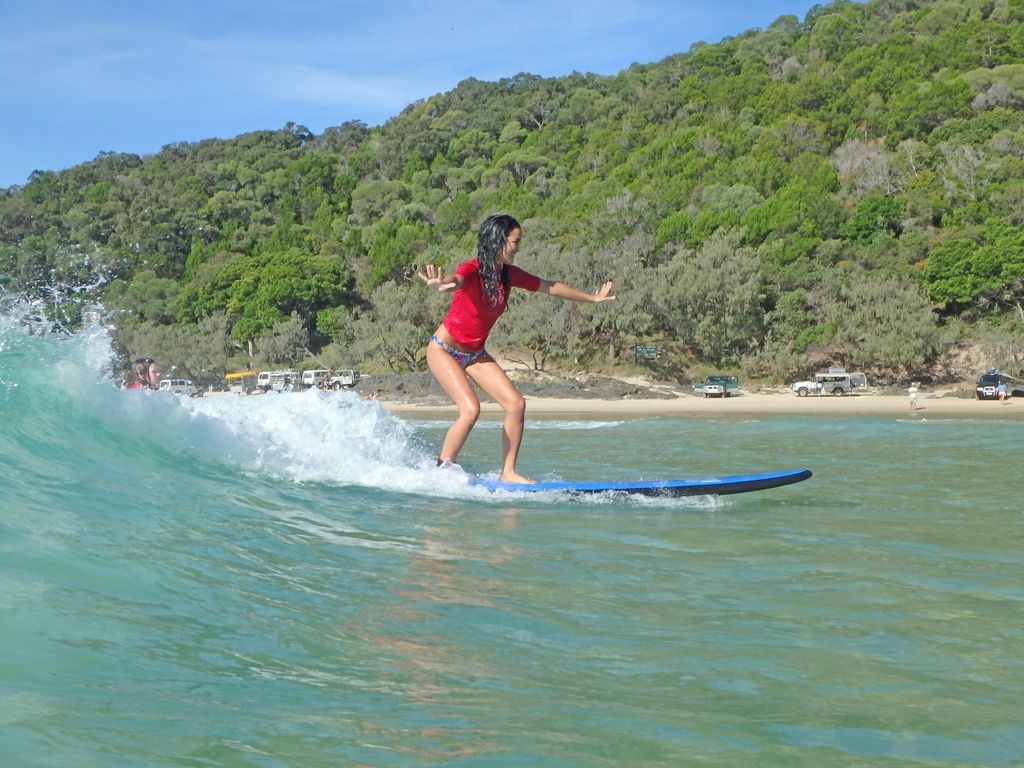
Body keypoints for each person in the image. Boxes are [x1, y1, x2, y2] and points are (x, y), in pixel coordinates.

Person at [417, 213, 615, 483]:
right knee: (471, 409)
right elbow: (455, 281)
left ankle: (508, 473)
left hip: (474, 353)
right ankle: (441, 472)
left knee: (515, 404)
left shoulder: (508, 276)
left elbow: (551, 287)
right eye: (515, 241)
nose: (518, 247)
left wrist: (592, 298)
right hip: (443, 349)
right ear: (499, 242)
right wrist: (442, 285)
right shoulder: (472, 269)